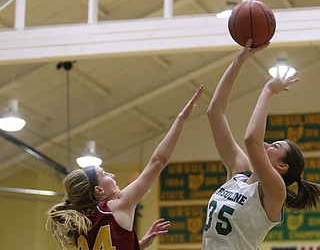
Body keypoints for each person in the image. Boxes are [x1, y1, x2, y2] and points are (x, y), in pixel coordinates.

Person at [47, 85, 204, 250]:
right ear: (99, 190)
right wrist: (181, 118)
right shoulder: (118, 205)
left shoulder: (81, 225)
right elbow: (158, 161)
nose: (113, 175)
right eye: (104, 173)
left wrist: (138, 244)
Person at [202, 39, 320, 250]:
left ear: (282, 167)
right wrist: (238, 61)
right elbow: (214, 112)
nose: (266, 144)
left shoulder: (275, 191)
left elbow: (251, 140)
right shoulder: (238, 172)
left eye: (275, 146)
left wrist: (268, 91)